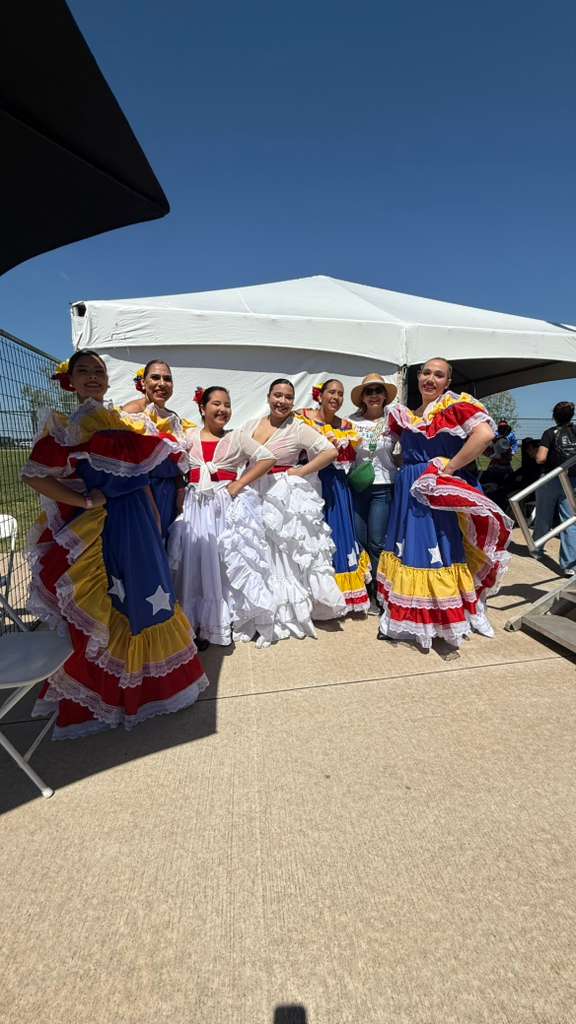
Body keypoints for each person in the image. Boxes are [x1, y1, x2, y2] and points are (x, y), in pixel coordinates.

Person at [21, 352, 208, 739]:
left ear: (108, 380)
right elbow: (35, 476)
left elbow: (147, 477)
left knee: (147, 599)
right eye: (84, 371)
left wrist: (154, 520)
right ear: (70, 381)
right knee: (110, 606)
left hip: (140, 525)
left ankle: (146, 692)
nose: (92, 377)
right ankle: (111, 696)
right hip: (104, 529)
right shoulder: (69, 428)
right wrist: (85, 501)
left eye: (99, 371)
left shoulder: (126, 421)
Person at [376, 357, 513, 657]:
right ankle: (409, 614)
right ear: (418, 377)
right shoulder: (405, 414)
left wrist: (449, 468)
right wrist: (404, 466)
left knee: (440, 548)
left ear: (447, 382)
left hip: (436, 487)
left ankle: (444, 616)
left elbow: (484, 435)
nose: (430, 379)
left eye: (438, 375)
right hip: (410, 487)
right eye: (426, 373)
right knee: (410, 548)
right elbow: (398, 451)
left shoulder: (453, 405)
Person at [227, 378, 347, 647]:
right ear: (269, 397)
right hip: (252, 493)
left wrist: (300, 472)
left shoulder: (298, 428)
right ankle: (257, 608)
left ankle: (283, 613)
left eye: (288, 397)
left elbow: (329, 452)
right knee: (256, 552)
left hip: (281, 496)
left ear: (293, 401)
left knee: (280, 553)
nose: (282, 401)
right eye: (278, 395)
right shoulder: (251, 425)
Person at [168, 385, 275, 648]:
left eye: (227, 404)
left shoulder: (237, 437)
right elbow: (175, 466)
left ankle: (224, 620)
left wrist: (239, 483)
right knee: (196, 561)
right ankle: (196, 623)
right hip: (195, 506)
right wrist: (180, 491)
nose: (223, 409)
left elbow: (266, 458)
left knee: (224, 560)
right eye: (216, 404)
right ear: (202, 408)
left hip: (224, 506)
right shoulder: (188, 436)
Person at [296, 379, 370, 613]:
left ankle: (340, 594)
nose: (336, 398)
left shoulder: (346, 426)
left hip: (337, 485)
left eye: (340, 394)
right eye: (332, 392)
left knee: (337, 532)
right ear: (320, 395)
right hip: (311, 482)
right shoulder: (303, 418)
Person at [122, 360, 194, 539]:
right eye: (155, 377)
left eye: (167, 379)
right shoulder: (132, 413)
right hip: (140, 493)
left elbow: (178, 461)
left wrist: (180, 490)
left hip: (168, 493)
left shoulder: (173, 417)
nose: (162, 383)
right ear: (143, 382)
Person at [348, 373, 398, 614]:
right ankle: (363, 590)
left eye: (379, 390)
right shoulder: (350, 422)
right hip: (357, 487)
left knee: (377, 542)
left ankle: (379, 593)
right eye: (369, 391)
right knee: (359, 540)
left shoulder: (394, 422)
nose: (374, 395)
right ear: (362, 397)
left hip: (383, 486)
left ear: (385, 396)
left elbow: (404, 451)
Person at [533, 401, 576, 575]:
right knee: (570, 521)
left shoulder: (549, 433)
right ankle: (569, 565)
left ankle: (537, 549)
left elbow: (540, 458)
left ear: (554, 416)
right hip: (572, 481)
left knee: (543, 516)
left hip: (550, 479)